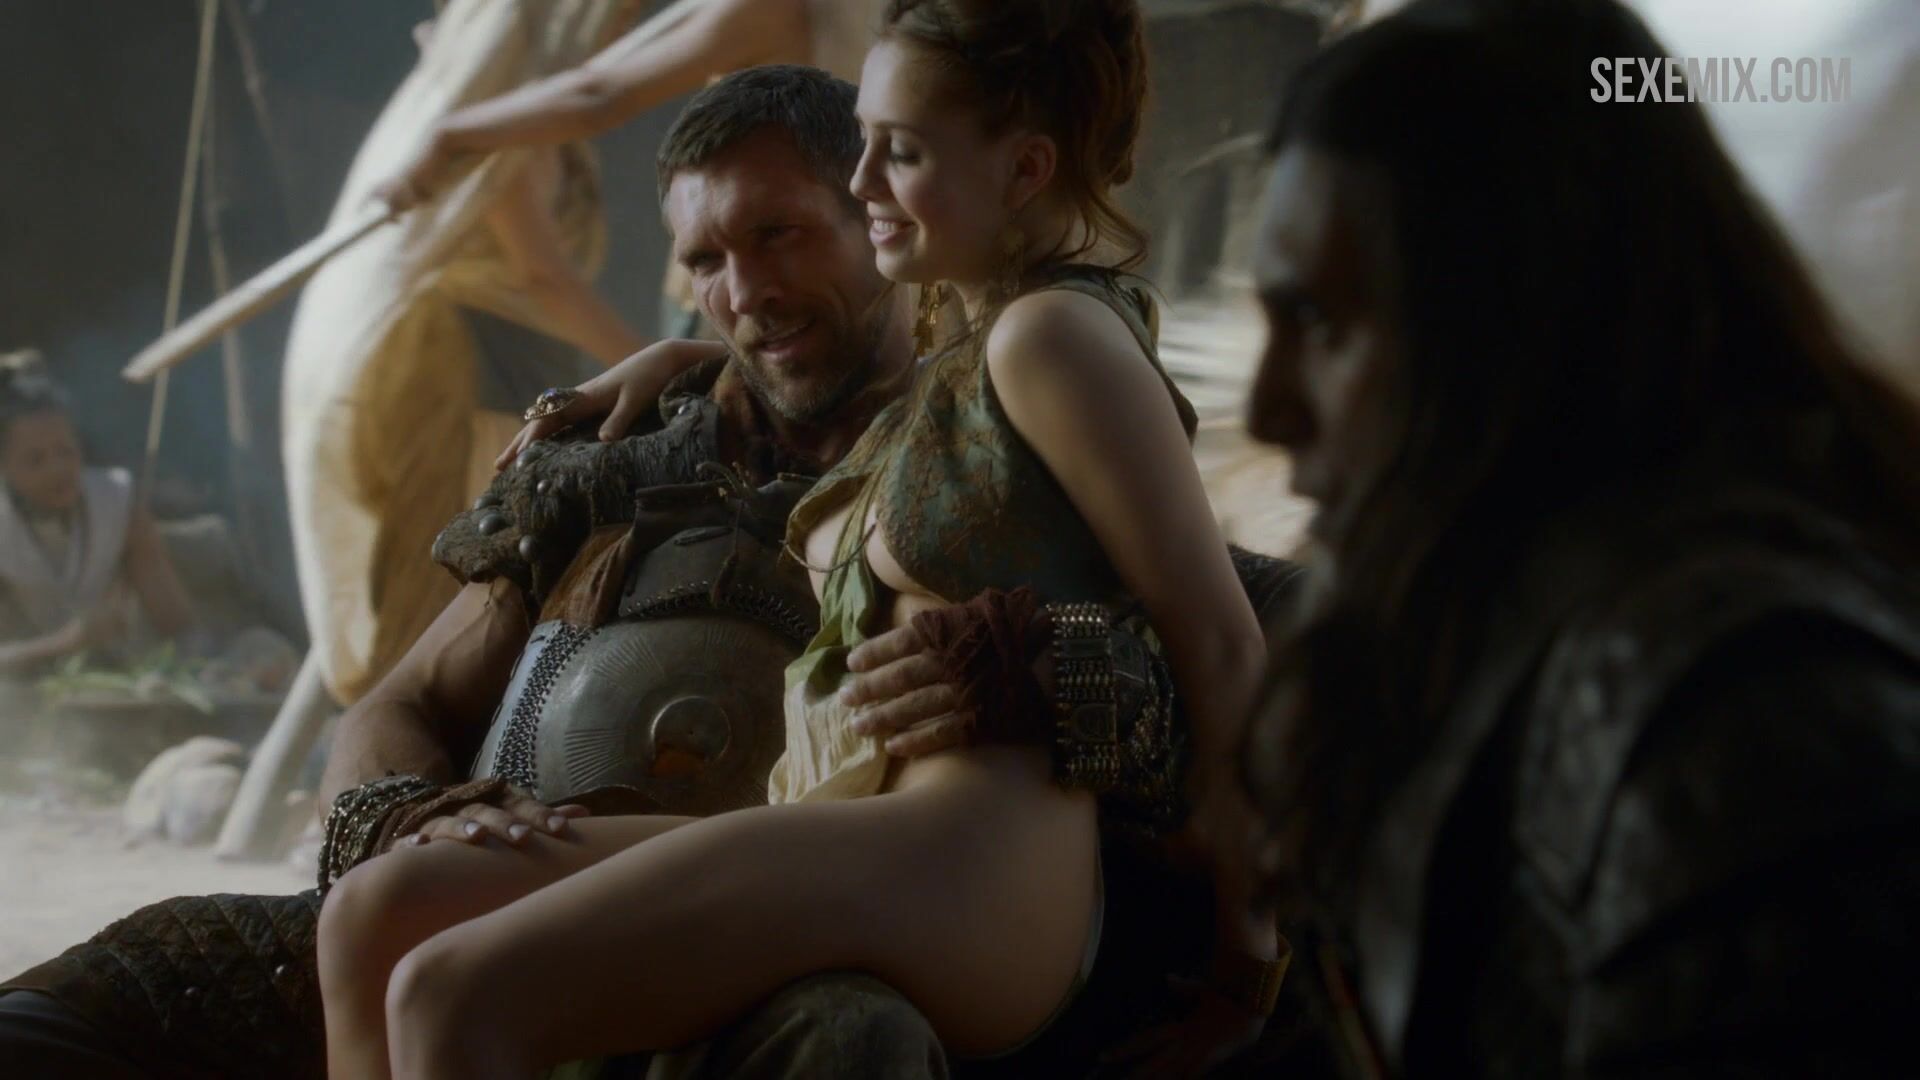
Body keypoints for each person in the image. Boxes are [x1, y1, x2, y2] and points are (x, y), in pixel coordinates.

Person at [0, 63, 1293, 1078]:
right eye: (707, 263)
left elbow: (1233, 642)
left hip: (821, 965)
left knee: (854, 1042)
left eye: (782, 237)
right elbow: (404, 701)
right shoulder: (610, 463)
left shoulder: (999, 445)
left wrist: (1048, 677)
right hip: (523, 884)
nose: (745, 292)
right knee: (80, 1015)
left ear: (878, 224)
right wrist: (404, 818)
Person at [1237, 0, 1920, 1074]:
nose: (1266, 409)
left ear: (1512, 321)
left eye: (1320, 322)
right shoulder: (1493, 590)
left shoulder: (1741, 728)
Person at [0, 351, 194, 676]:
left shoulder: (117, 503)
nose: (58, 469)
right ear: (4, 469)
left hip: (125, 679)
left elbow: (181, 629)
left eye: (66, 451)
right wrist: (66, 643)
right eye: (35, 460)